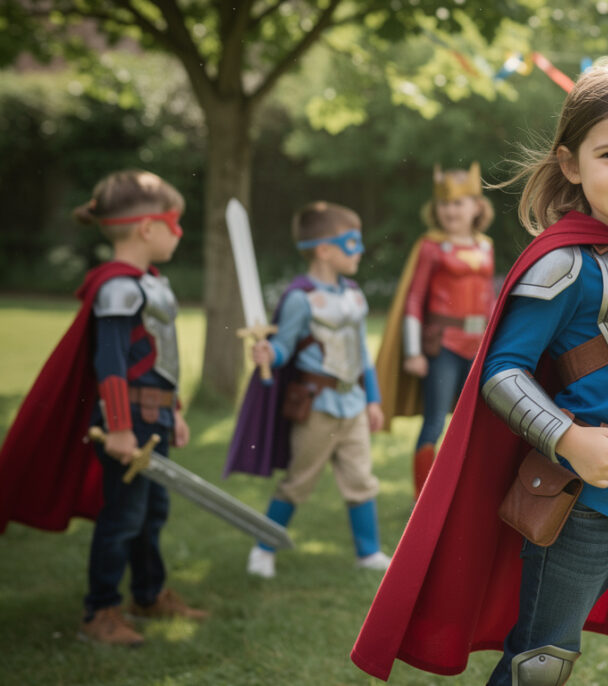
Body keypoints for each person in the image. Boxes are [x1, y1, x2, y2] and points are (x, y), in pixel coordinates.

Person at [351, 56, 608, 686]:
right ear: (571, 164)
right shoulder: (561, 266)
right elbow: (502, 372)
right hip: (582, 507)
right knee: (540, 666)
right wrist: (570, 439)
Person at [0, 170, 207, 646]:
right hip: (126, 420)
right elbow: (110, 364)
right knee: (123, 516)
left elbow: (159, 357)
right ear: (147, 228)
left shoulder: (150, 282)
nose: (179, 232)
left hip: (151, 417)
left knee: (152, 511)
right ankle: (100, 612)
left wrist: (172, 410)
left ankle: (149, 594)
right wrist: (118, 427)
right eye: (174, 222)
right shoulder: (119, 287)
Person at [225, 201, 389, 579]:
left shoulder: (355, 295)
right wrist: (270, 352)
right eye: (352, 243)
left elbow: (362, 353)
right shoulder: (300, 298)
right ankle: (264, 548)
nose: (360, 250)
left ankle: (368, 553)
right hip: (317, 408)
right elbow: (283, 346)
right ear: (325, 249)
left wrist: (374, 398)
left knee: (361, 480)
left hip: (353, 404)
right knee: (298, 482)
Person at [375, 163, 496, 500]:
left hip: (478, 348)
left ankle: (460, 494)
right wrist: (413, 352)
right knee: (434, 423)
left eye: (458, 203)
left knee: (471, 424)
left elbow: (488, 299)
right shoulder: (431, 246)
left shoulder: (484, 246)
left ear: (476, 206)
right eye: (444, 204)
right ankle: (424, 499)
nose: (450, 210)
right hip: (442, 346)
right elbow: (413, 300)